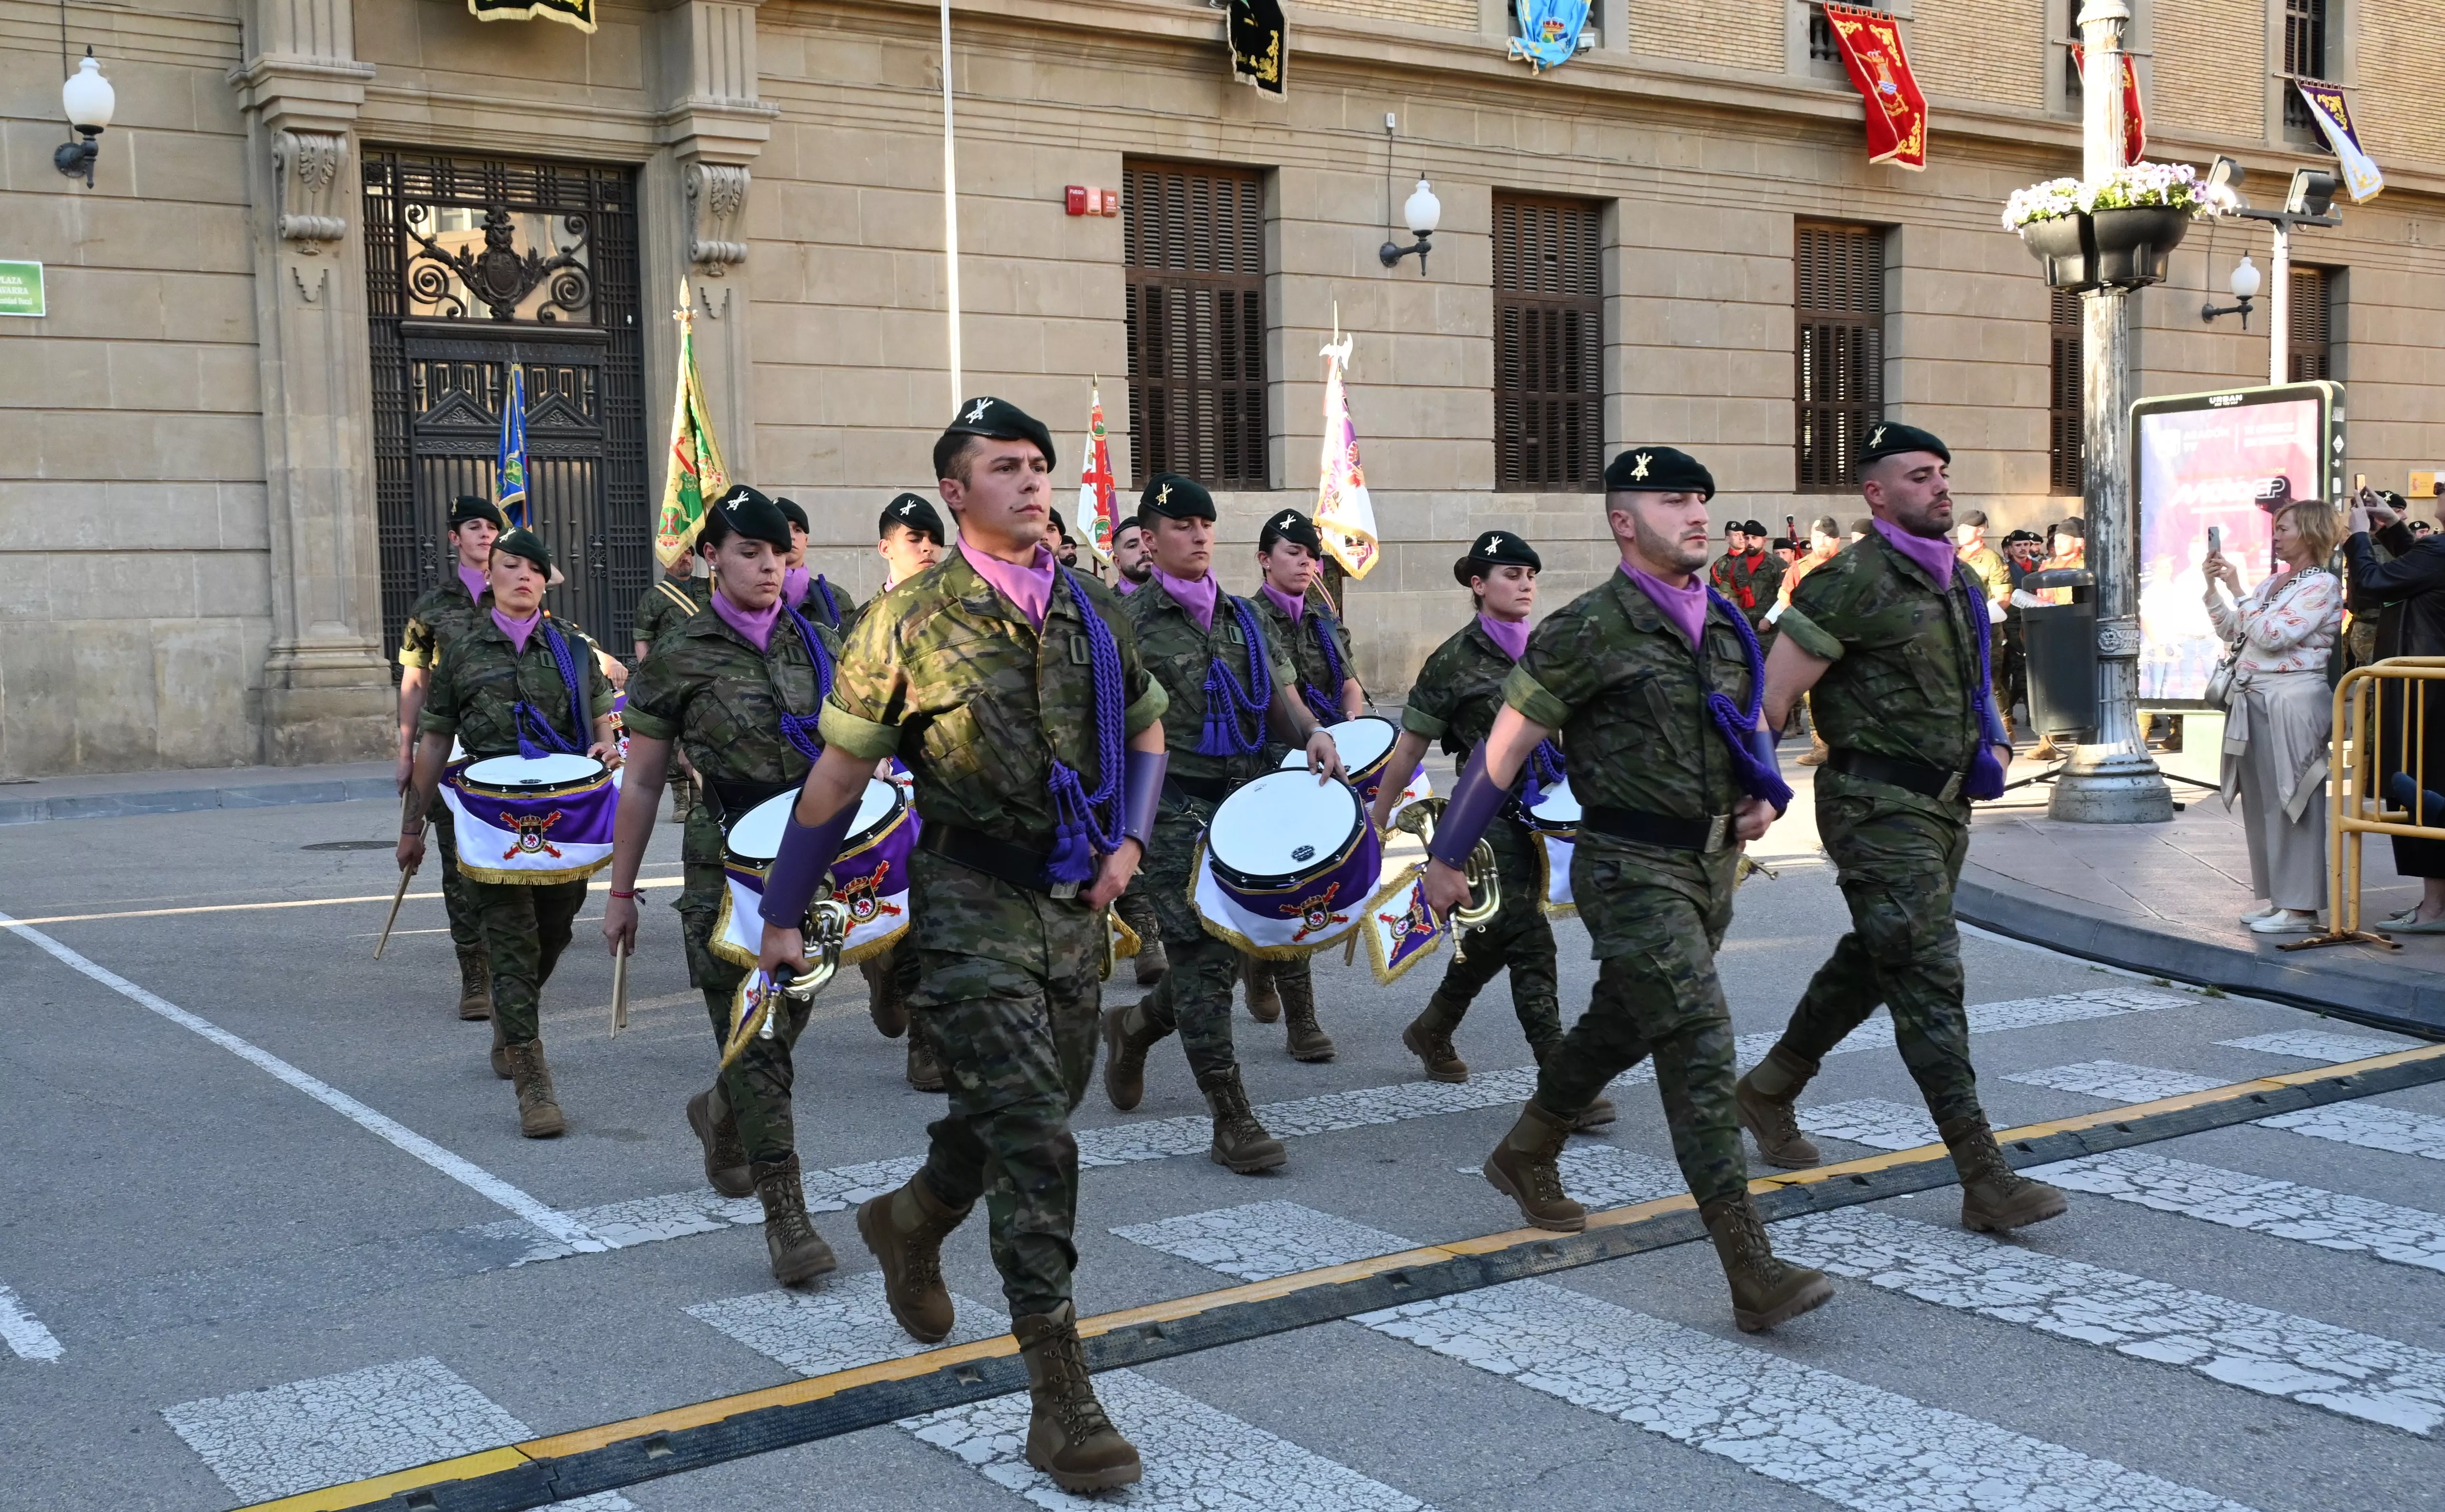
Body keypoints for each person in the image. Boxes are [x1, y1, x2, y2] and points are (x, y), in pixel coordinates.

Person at [753, 397, 1160, 1491]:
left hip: (1074, 907)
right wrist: (783, 912)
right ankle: (1061, 1395)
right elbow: (835, 782)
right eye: (1005, 467)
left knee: (1038, 1100)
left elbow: (1151, 727)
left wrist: (1129, 837)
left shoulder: (1090, 610)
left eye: (1039, 466)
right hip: (971, 896)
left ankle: (912, 1215)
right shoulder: (905, 623)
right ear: (955, 488)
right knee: (1038, 1143)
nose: (1032, 483)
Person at [1418, 445, 1829, 1334]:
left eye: (1701, 499)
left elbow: (1748, 719)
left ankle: (1525, 1149)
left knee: (1623, 1019)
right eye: (1673, 499)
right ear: (1621, 521)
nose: (1696, 513)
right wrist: (1446, 856)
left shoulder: (1722, 622)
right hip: (1627, 865)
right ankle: (1748, 1264)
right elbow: (1502, 750)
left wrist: (1760, 788)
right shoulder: (1586, 629)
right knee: (1695, 1035)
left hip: (1707, 863)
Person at [1740, 423, 2067, 1236]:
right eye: (1919, 476)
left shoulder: (1955, 577)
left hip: (1942, 807)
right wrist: (1751, 793)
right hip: (1873, 806)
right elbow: (1771, 700)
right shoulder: (1844, 581)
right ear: (1875, 493)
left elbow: (1974, 675)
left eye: (1943, 473)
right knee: (1927, 971)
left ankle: (1769, 1087)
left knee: (1880, 953)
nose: (1939, 486)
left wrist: (1991, 735)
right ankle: (1981, 1173)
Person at [603, 484, 845, 1283]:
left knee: (791, 1011)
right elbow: (640, 783)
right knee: (762, 1039)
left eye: (779, 553)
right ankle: (788, 1219)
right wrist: (620, 890)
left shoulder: (818, 645)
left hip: (812, 861)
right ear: (711, 557)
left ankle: (719, 1111)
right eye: (749, 551)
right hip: (725, 866)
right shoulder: (680, 655)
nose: (769, 567)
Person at [1104, 474, 1348, 1172]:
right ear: (1148, 542)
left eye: (1205, 523)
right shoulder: (1126, 623)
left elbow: (1280, 698)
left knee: (1239, 945)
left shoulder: (1246, 617)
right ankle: (1231, 1116)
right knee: (1204, 960)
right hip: (1170, 803)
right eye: (1181, 525)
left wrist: (1311, 734)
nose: (1199, 534)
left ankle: (1133, 1027)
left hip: (1246, 801)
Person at [1369, 530, 1615, 1130]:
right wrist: (1376, 822)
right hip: (1487, 821)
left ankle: (1432, 1028)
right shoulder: (1454, 660)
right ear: (1478, 585)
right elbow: (1408, 751)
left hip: (1554, 813)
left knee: (1491, 940)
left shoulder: (1551, 645)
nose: (1525, 583)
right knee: (1530, 940)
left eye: (1531, 574)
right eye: (1511, 574)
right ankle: (1560, 1084)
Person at [399, 527, 620, 1138]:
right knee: (512, 939)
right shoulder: (463, 650)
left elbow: (603, 718)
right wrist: (413, 825)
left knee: (554, 928)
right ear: (490, 574)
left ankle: (509, 1011)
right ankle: (533, 1080)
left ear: (546, 580)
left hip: (563, 821)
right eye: (510, 565)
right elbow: (436, 740)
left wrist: (605, 743)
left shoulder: (573, 649)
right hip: (490, 822)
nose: (522, 575)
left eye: (533, 568)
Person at [1240, 507, 1363, 1051]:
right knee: (1293, 884)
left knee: (1314, 879)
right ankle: (1302, 1022)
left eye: (1311, 554)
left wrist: (1353, 728)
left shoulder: (1323, 620)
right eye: (1293, 552)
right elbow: (1280, 699)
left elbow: (1351, 684)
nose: (1305, 562)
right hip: (1267, 765)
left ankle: (1260, 963)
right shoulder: (1245, 618)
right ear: (1265, 560)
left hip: (1322, 759)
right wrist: (1320, 736)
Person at [2205, 500, 2344, 935]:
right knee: (2265, 803)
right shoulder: (2276, 583)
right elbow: (2235, 631)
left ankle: (2301, 908)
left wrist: (2240, 591)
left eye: (2284, 529)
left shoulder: (2321, 584)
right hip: (2256, 698)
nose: (2277, 535)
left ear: (2308, 533)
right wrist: (2213, 590)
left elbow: (2272, 635)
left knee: (2294, 800)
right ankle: (2280, 899)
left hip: (2293, 699)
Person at [853, 492, 950, 1093]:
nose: (925, 548)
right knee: (908, 914)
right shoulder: (862, 622)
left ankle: (927, 1043)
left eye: (932, 539)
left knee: (941, 915)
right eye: (912, 538)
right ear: (885, 547)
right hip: (885, 787)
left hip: (945, 787)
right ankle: (886, 966)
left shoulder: (962, 619)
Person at [395, 495, 505, 1024]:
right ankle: (476, 977)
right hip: (452, 747)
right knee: (458, 864)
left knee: (509, 859)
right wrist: (405, 747)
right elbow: (414, 680)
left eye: (492, 527)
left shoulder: (519, 594)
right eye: (474, 527)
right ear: (453, 538)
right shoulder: (431, 607)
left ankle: (513, 967)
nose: (485, 534)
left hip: (507, 750)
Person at [2344, 489, 2445, 931]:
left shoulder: (2440, 549)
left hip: (2422, 696)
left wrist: (2360, 538)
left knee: (2418, 792)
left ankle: (2434, 907)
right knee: (2425, 793)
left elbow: (2373, 583)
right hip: (2426, 692)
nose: (2440, 493)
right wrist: (2393, 526)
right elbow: (2422, 569)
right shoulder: (2436, 550)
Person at [634, 553, 712, 824]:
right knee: (675, 738)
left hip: (706, 673)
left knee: (702, 730)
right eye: (680, 554)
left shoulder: (709, 586)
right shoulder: (655, 597)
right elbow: (642, 638)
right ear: (666, 560)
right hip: (671, 674)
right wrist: (650, 675)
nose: (686, 558)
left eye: (690, 553)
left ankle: (700, 797)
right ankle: (681, 800)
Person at [1771, 516, 1844, 767]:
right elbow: (1785, 601)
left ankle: (1845, 750)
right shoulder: (1799, 568)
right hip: (1811, 643)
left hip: (1845, 641)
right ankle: (1821, 748)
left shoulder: (1851, 566)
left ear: (1837, 540)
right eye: (1816, 537)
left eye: (1826, 537)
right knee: (1814, 697)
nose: (1821, 542)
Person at [776, 495, 856, 631]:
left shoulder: (835, 597)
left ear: (806, 541)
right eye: (781, 529)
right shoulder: (755, 595)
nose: (791, 536)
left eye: (798, 530)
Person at [1708, 518, 1783, 634]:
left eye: (1754, 538)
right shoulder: (1734, 564)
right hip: (1743, 628)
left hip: (1770, 629)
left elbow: (1787, 596)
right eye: (1747, 538)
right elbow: (1727, 594)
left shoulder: (1778, 564)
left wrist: (1769, 619)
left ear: (1764, 540)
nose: (1750, 542)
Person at [876, 492, 946, 590]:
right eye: (914, 540)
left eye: (935, 540)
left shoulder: (964, 603)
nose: (929, 548)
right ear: (886, 549)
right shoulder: (876, 606)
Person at [1109, 517, 1153, 596]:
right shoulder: (1106, 605)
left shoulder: (1178, 597)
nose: (1145, 550)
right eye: (1133, 546)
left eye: (1149, 542)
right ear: (1118, 562)